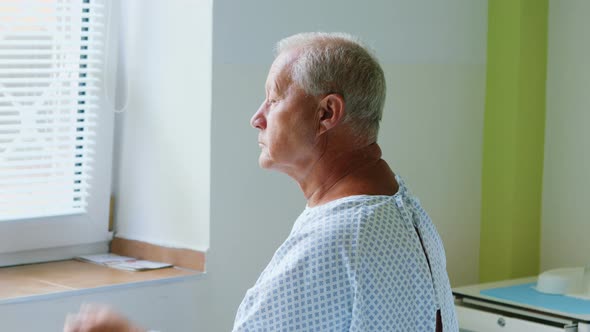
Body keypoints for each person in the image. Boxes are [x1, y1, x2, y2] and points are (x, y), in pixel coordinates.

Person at [64, 32, 458, 332]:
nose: (257, 117)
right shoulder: (402, 209)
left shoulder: (334, 242)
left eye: (273, 99)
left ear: (326, 113)